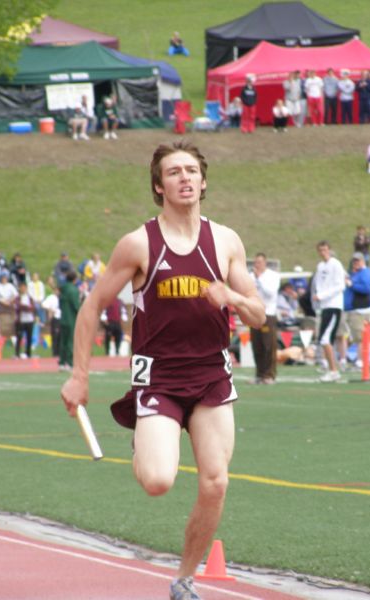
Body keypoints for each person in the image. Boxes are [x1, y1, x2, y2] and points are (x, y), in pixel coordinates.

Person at [60, 141, 265, 600]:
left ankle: (185, 580)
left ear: (205, 180)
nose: (185, 178)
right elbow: (92, 306)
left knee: (216, 482)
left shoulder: (226, 240)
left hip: (212, 377)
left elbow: (259, 314)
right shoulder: (139, 243)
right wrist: (80, 375)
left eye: (192, 170)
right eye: (174, 172)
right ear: (159, 185)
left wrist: (231, 298)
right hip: (159, 381)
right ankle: (145, 437)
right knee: (157, 480)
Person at [313, 241, 346, 382]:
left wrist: (322, 295)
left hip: (334, 305)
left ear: (329, 250)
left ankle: (334, 371)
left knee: (326, 339)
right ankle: (331, 368)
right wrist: (318, 298)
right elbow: (319, 285)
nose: (323, 252)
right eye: (320, 250)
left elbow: (340, 285)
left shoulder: (336, 264)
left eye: (325, 249)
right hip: (324, 306)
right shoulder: (320, 266)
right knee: (324, 339)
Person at [249, 253, 280, 384]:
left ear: (265, 263)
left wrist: (259, 279)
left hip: (268, 313)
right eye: (256, 262)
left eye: (260, 262)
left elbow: (271, 293)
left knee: (268, 344)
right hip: (254, 313)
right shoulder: (250, 276)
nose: (257, 265)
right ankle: (259, 374)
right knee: (257, 344)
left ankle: (269, 374)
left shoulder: (272, 276)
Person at [343, 252, 370, 369]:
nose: (355, 263)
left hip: (360, 310)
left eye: (357, 261)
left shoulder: (365, 273)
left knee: (360, 338)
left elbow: (366, 289)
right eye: (354, 261)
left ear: (363, 261)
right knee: (358, 338)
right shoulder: (357, 273)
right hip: (356, 309)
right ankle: (361, 360)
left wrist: (351, 284)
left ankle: (361, 361)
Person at [58, 271, 80, 371]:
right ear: (74, 279)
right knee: (71, 341)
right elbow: (76, 306)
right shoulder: (74, 290)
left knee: (63, 341)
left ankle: (62, 363)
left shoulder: (62, 289)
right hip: (71, 318)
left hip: (63, 318)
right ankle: (70, 363)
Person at [14, 281, 36, 359]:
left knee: (29, 338)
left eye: (24, 288)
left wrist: (26, 308)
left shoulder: (30, 298)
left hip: (29, 320)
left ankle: (28, 353)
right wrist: (27, 307)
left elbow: (33, 307)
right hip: (21, 320)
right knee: (19, 337)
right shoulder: (18, 298)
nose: (23, 289)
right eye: (22, 288)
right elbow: (18, 307)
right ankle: (17, 353)